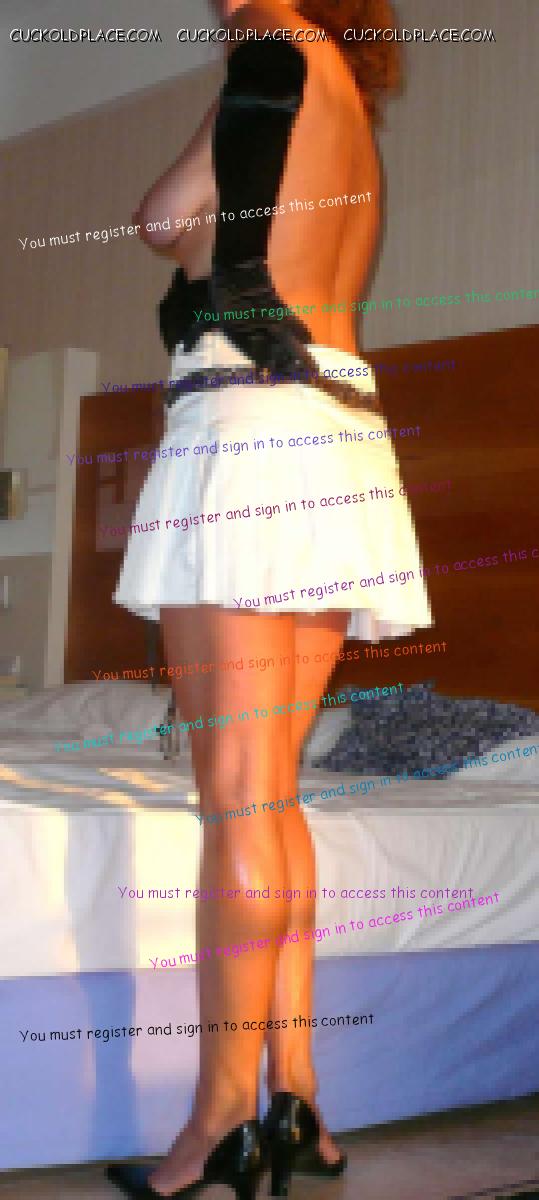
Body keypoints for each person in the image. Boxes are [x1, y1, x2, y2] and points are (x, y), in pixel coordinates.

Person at [107, 1, 431, 1196]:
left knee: (236, 800)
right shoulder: (339, 88)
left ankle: (214, 1127)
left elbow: (162, 221)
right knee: (272, 796)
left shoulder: (266, 46)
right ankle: (293, 1099)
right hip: (339, 429)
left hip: (246, 420)